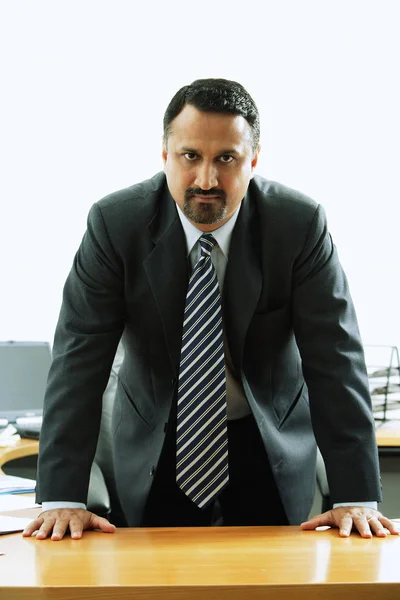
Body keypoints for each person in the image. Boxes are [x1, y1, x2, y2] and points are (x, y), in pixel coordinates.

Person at [24, 78, 398, 541]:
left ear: (253, 160)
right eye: (190, 157)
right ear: (164, 155)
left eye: (226, 159)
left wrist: (355, 496)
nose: (206, 179)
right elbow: (78, 361)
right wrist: (63, 498)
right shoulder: (115, 224)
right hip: (158, 442)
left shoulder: (298, 225)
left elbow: (336, 359)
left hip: (268, 443)